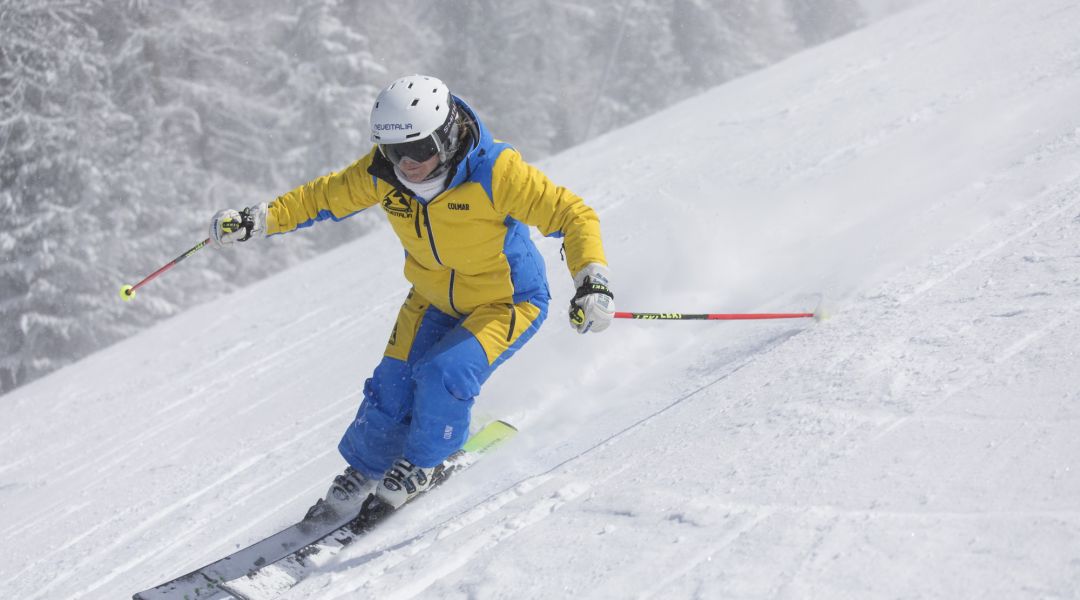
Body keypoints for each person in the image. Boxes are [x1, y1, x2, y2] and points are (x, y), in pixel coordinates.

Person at [209, 75, 614, 510]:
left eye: (419, 148)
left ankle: (426, 462)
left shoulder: (496, 172)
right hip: (431, 297)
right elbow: (321, 198)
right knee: (392, 384)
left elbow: (573, 215)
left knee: (443, 373)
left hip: (507, 301)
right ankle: (369, 467)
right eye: (394, 150)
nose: (408, 164)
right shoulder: (384, 175)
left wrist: (591, 280)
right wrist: (258, 219)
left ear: (447, 134)